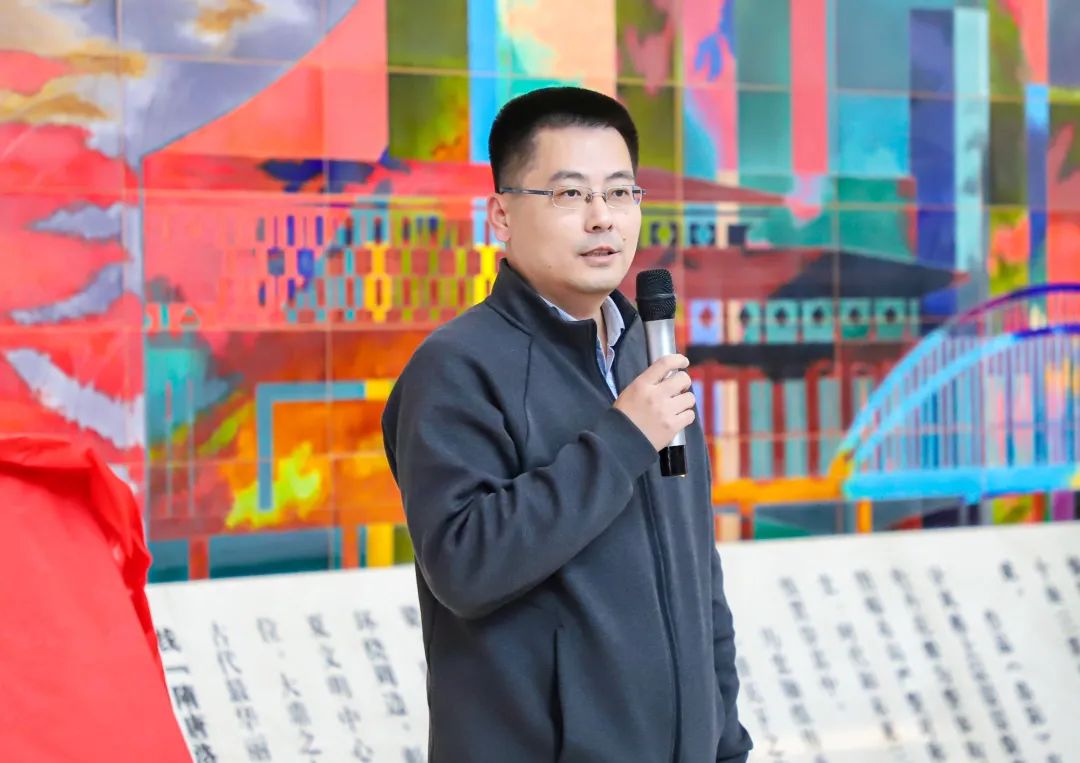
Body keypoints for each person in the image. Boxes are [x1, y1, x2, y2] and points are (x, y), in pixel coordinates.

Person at [381, 86, 752, 763]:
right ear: (501, 215)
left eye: (620, 192)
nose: (602, 217)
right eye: (569, 194)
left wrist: (726, 744)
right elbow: (465, 564)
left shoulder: (651, 358)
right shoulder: (456, 368)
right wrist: (622, 439)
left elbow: (700, 580)